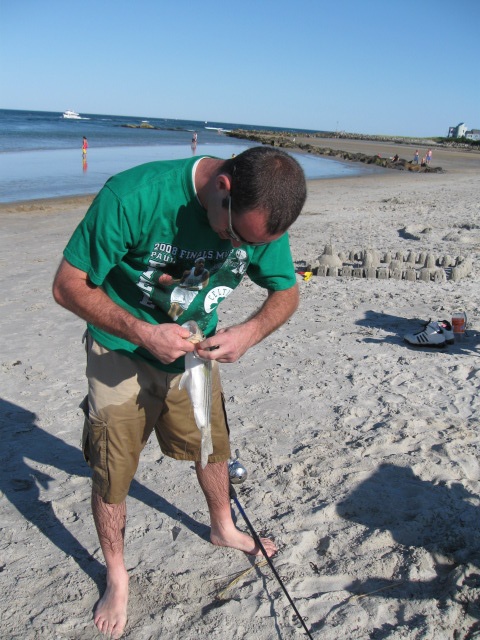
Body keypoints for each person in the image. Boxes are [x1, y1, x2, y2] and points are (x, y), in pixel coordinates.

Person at [52, 146, 306, 639]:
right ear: (223, 186)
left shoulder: (260, 215)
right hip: (120, 350)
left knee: (212, 447)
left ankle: (223, 527)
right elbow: (67, 286)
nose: (239, 246)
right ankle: (118, 575)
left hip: (194, 355)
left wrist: (247, 334)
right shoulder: (134, 197)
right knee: (113, 466)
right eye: (235, 235)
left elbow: (286, 290)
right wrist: (141, 332)